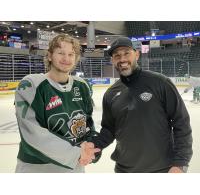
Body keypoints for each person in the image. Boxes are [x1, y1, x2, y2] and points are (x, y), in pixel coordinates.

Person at [91, 37, 193, 173]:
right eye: (117, 55)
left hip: (162, 169)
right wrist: (94, 147)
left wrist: (181, 162)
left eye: (127, 53)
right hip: (124, 170)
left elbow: (181, 122)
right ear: (112, 60)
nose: (122, 59)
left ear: (137, 54)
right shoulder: (110, 94)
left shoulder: (160, 83)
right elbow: (108, 130)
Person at [14, 34, 100, 173]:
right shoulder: (31, 85)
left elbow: (88, 123)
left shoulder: (82, 85)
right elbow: (33, 134)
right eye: (61, 53)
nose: (66, 59)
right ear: (49, 55)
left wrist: (91, 146)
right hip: (37, 168)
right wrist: (76, 154)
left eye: (71, 54)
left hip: (75, 166)